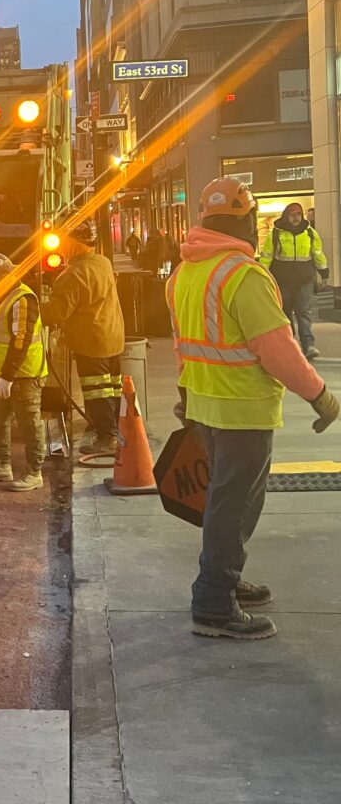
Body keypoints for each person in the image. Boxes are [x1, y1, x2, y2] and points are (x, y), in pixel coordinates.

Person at [168, 178, 339, 640]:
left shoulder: (186, 273)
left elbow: (183, 346)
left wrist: (186, 398)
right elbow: (278, 350)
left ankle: (225, 579)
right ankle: (213, 603)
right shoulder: (243, 275)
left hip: (204, 405)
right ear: (247, 220)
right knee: (234, 502)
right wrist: (320, 395)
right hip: (242, 408)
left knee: (230, 501)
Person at [41, 221, 125, 456]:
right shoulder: (103, 262)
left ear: (73, 243)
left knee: (96, 392)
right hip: (112, 336)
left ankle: (107, 438)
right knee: (111, 389)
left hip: (92, 342)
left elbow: (56, 312)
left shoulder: (74, 274)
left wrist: (30, 308)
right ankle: (110, 429)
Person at [0, 253, 47, 491]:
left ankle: (34, 472)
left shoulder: (22, 300)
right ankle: (2, 466)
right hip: (3, 375)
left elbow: (20, 341)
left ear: (5, 276)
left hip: (23, 376)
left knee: (29, 424)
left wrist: (8, 375)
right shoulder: (1, 298)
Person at [258, 202, 328, 360]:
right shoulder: (276, 234)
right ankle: (289, 345)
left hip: (304, 280)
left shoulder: (309, 232)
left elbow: (318, 253)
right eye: (293, 215)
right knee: (285, 313)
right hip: (283, 280)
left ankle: (308, 345)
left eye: (298, 214)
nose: (296, 218)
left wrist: (324, 274)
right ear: (286, 216)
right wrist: (262, 275)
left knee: (304, 312)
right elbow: (267, 256)